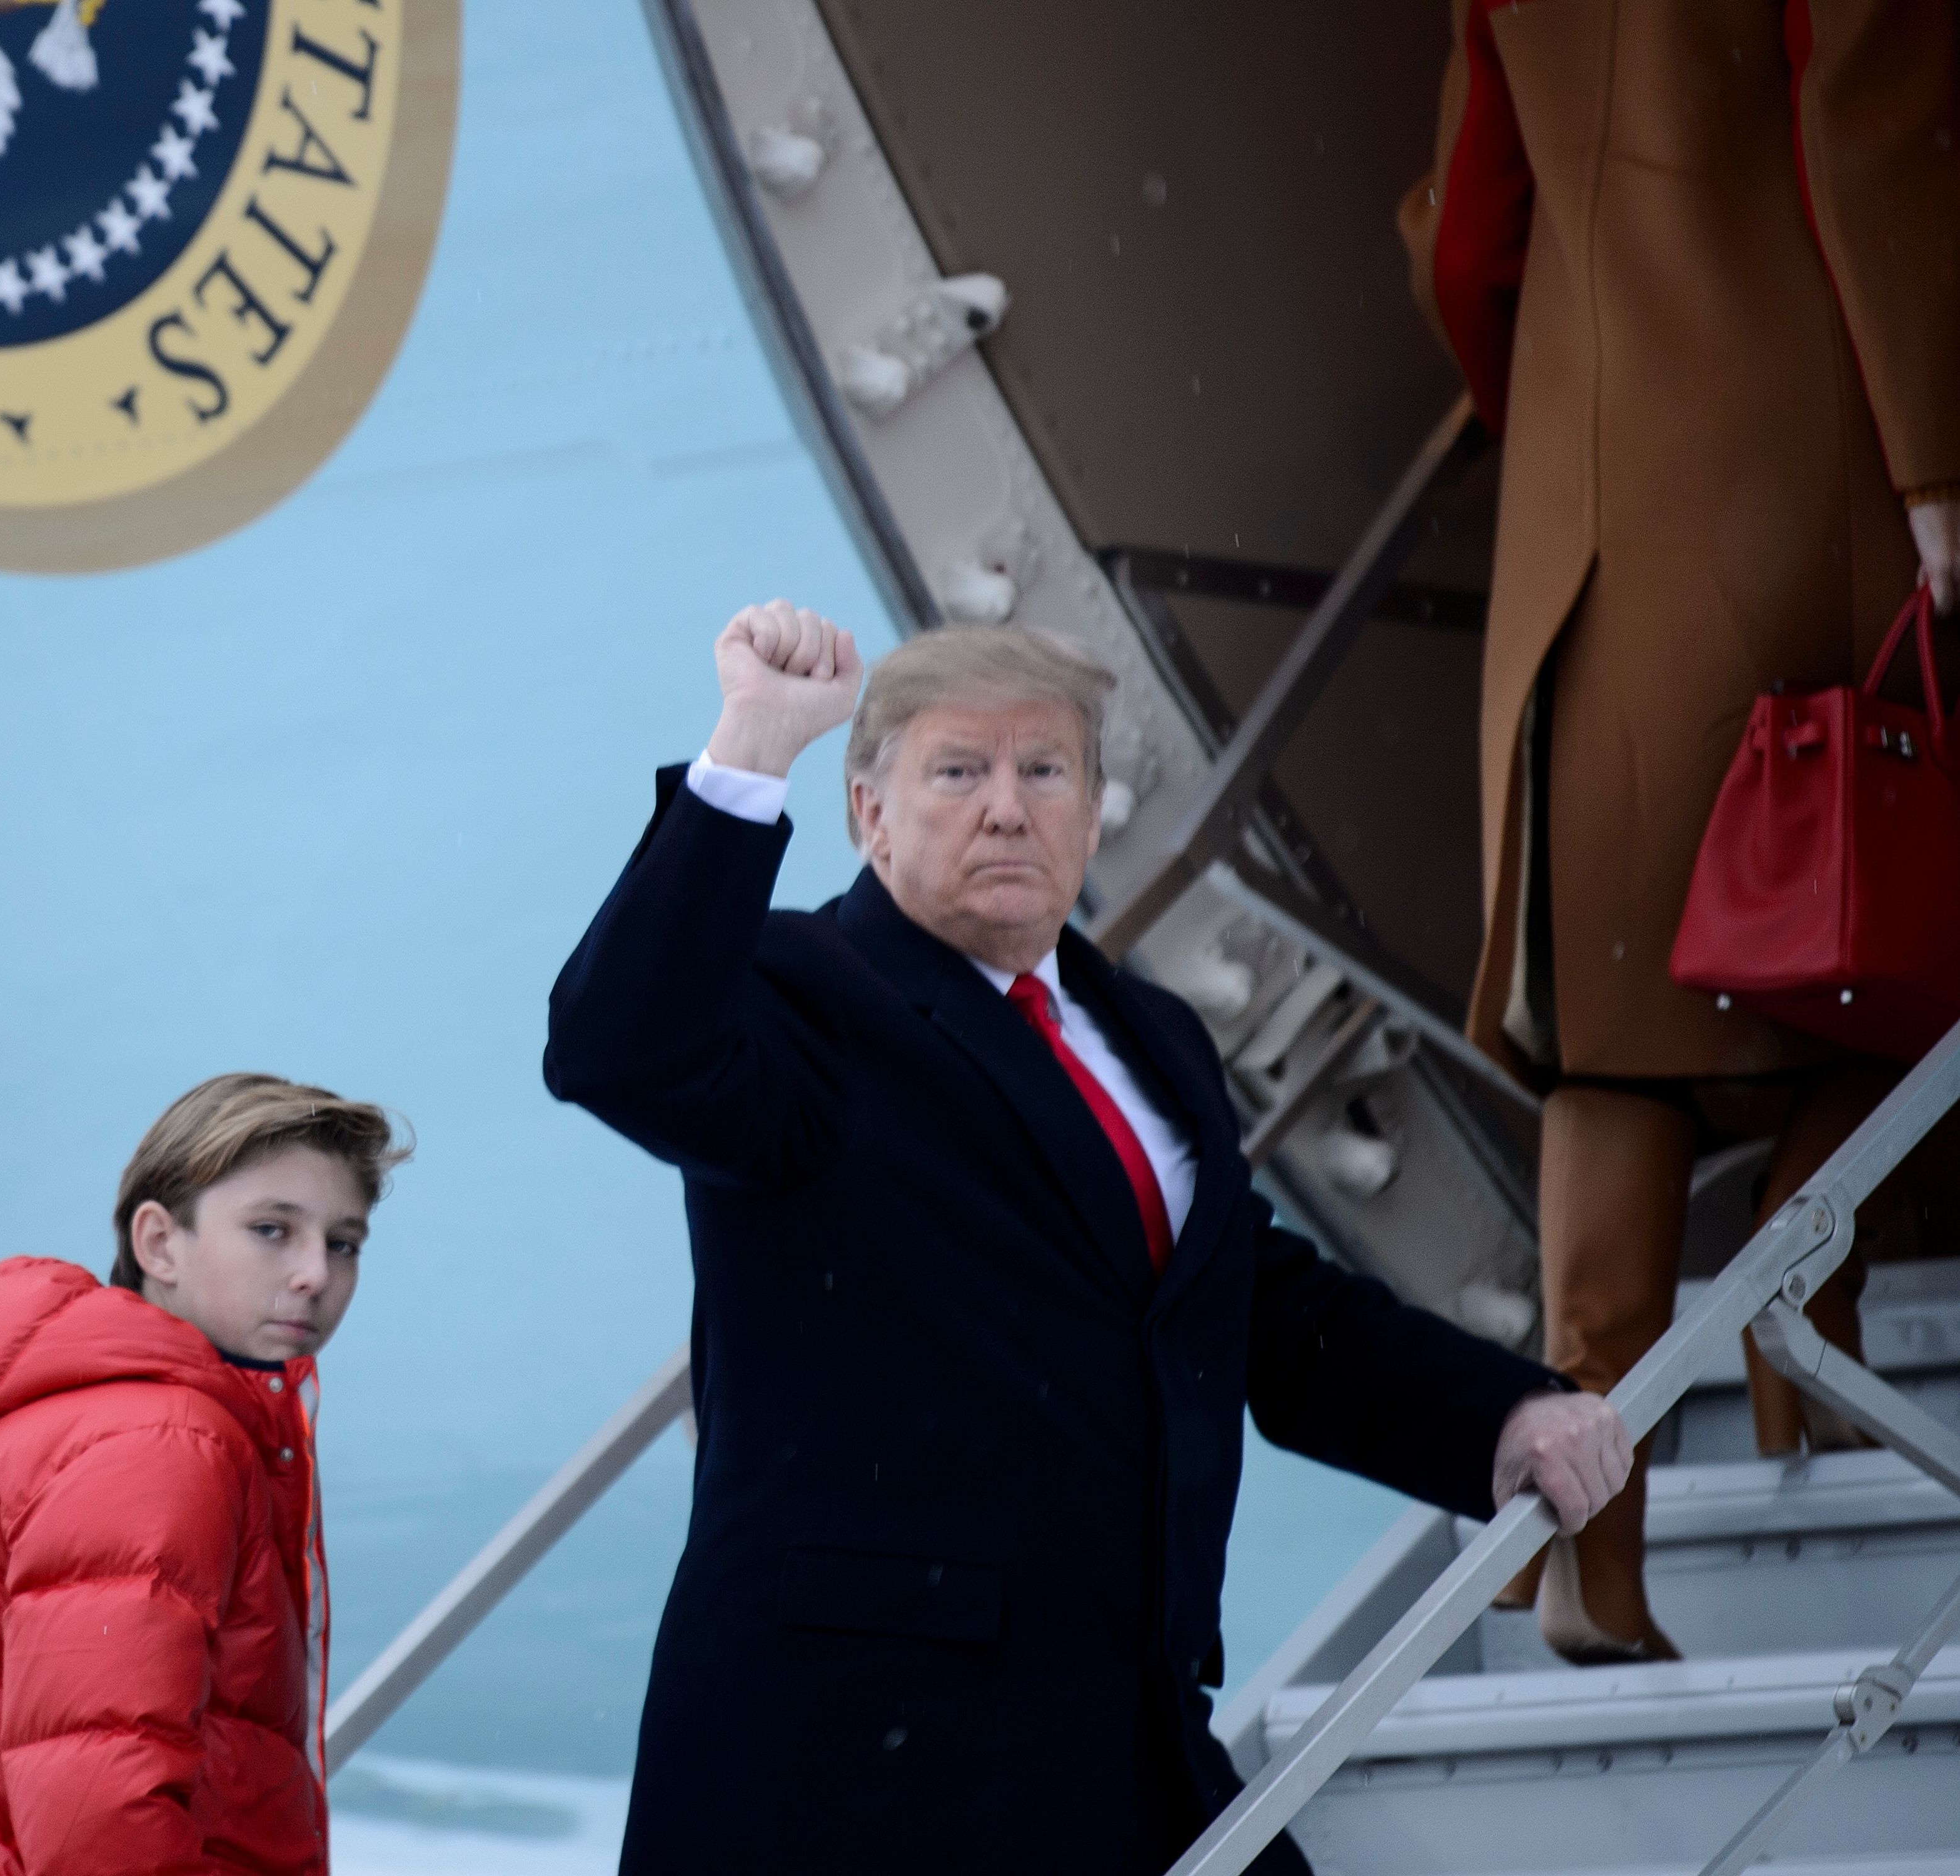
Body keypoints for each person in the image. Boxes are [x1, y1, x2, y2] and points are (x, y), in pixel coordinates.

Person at [543, 605, 1636, 1876]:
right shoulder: (801, 998)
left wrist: (1497, 1417)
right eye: (957, 771)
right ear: (867, 814)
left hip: (1122, 1738)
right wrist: (752, 743)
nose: (1007, 808)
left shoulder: (1152, 1034)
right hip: (853, 1767)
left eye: (1044, 770)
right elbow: (617, 1047)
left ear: (1095, 807)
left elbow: (1248, 1305)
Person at [1398, 0, 1960, 1662]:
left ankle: (1587, 1534)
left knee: (1621, 1028)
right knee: (1879, 924)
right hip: (1811, 450)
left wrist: (1573, 387)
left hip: (1591, 482)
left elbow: (1467, 226)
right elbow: (1877, 136)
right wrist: (1935, 456)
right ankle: (1809, 1346)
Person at [0, 1072, 408, 1876]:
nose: (314, 1275)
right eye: (271, 1229)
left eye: (343, 1243)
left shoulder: (85, 1412)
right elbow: (101, 1818)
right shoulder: (158, 1440)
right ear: (159, 1243)